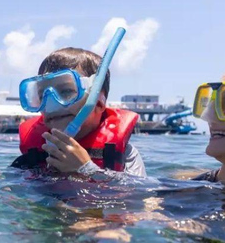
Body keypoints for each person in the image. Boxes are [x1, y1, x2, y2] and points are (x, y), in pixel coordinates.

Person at [11, 48, 146, 177]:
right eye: (42, 96)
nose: (51, 104)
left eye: (66, 91)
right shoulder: (33, 155)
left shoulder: (125, 155)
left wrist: (86, 169)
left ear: (98, 103)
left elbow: (141, 198)